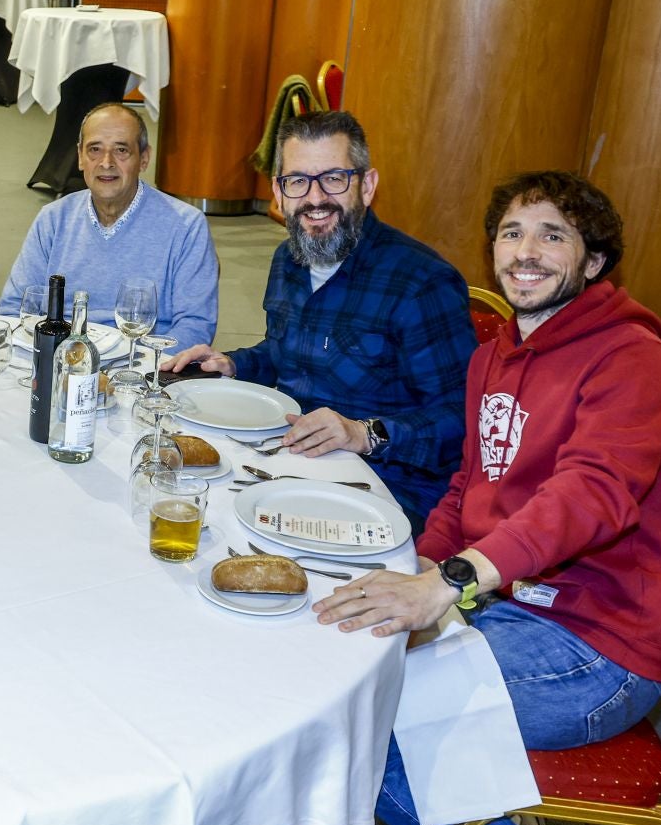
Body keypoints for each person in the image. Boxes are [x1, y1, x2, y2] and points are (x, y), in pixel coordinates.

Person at [315, 171, 661, 825]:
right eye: (512, 233)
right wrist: (420, 567)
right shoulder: (497, 357)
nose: (526, 252)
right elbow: (468, 487)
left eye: (553, 235)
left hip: (599, 645)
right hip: (512, 603)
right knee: (339, 655)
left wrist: (452, 584)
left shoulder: (632, 360)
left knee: (367, 717)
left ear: (593, 262)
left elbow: (590, 495)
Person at [166, 110, 472, 527]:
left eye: (333, 178)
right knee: (177, 493)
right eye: (297, 181)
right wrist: (233, 364)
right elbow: (284, 351)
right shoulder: (288, 259)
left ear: (366, 186)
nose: (314, 199)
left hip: (387, 485)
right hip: (290, 460)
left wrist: (365, 433)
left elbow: (464, 416)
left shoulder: (420, 282)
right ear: (278, 192)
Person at [0, 103, 218, 347]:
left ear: (144, 158)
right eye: (95, 149)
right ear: (80, 156)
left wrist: (133, 368)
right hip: (61, 359)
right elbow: (13, 308)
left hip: (141, 370)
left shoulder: (186, 226)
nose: (106, 162)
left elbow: (195, 327)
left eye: (121, 150)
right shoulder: (53, 219)